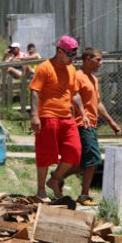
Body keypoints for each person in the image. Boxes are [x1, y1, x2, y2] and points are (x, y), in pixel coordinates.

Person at [60, 47, 121, 206]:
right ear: (87, 59)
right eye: (98, 59)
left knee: (83, 161)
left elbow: (98, 103)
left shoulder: (94, 79)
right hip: (81, 123)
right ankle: (84, 195)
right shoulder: (78, 76)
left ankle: (58, 176)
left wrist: (110, 121)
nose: (101, 63)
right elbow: (73, 97)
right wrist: (81, 115)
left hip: (92, 124)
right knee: (93, 159)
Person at [30, 35, 87, 200]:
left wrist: (83, 113)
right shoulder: (44, 67)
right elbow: (35, 91)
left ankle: (54, 179)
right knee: (45, 154)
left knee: (74, 152)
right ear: (59, 51)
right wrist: (34, 116)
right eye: (70, 54)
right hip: (47, 116)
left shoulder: (71, 70)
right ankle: (41, 191)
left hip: (67, 117)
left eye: (74, 55)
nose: (73, 58)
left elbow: (74, 94)